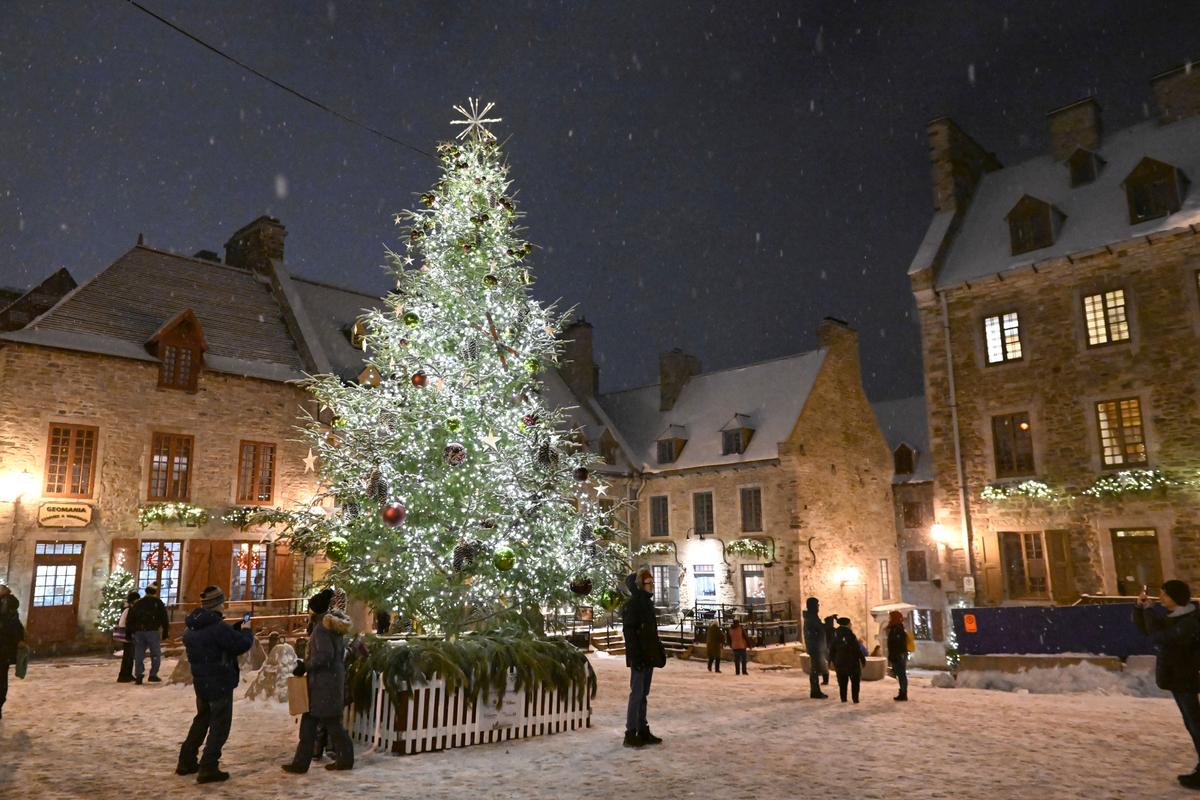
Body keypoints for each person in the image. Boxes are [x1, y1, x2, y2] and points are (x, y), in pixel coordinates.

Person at [177, 586, 254, 784]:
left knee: (202, 720)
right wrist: (246, 629)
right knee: (220, 725)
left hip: (202, 682)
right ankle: (209, 766)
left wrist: (233, 631)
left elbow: (215, 642)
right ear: (218, 603)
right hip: (220, 681)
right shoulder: (217, 627)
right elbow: (239, 645)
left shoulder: (193, 627)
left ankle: (186, 760)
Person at [1133, 580, 1200, 790]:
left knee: (1196, 723)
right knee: (1192, 723)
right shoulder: (1176, 618)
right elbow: (1147, 629)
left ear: (1175, 597)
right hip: (1177, 677)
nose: (1161, 598)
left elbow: (1160, 637)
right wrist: (1140, 608)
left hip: (1186, 677)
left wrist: (1150, 612)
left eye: (1164, 594)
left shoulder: (1189, 622)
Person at [283, 588, 355, 774]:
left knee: (331, 724)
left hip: (324, 684)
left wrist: (305, 666)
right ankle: (301, 763)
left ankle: (344, 759)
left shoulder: (322, 628)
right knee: (311, 724)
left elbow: (324, 656)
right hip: (326, 683)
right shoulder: (329, 625)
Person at [621, 569, 666, 748]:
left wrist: (657, 651)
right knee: (637, 694)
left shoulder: (646, 603)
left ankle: (642, 728)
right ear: (640, 585)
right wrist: (635, 656)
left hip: (648, 656)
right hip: (640, 656)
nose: (652, 585)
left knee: (643, 694)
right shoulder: (633, 605)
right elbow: (630, 633)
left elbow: (650, 633)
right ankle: (630, 732)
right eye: (649, 582)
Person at [128, 584, 169, 684]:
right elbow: (164, 617)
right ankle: (153, 674)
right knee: (155, 654)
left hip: (139, 631)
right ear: (155, 592)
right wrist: (165, 631)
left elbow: (131, 618)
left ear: (145, 592)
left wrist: (130, 631)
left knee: (139, 654)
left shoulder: (139, 603)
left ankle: (139, 674)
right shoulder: (157, 602)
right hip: (152, 631)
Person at [0, 589, 24, 720]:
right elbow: (16, 629)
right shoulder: (11, 608)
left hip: (3, 650)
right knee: (2, 679)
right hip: (4, 652)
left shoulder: (7, 607)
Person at [831, 617, 865, 704]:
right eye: (850, 623)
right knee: (855, 682)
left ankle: (843, 698)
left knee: (842, 682)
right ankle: (855, 699)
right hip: (852, 663)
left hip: (840, 662)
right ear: (847, 624)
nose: (851, 625)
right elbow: (856, 649)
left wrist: (832, 660)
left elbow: (832, 650)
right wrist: (862, 659)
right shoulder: (850, 636)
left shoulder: (836, 636)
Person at [803, 597, 828, 698]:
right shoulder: (811, 618)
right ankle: (815, 691)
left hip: (816, 646)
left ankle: (816, 690)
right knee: (814, 670)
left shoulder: (812, 617)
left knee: (816, 670)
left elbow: (820, 628)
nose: (818, 607)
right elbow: (818, 629)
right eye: (817, 605)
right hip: (815, 647)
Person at [886, 610, 912, 702]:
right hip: (898, 654)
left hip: (899, 655)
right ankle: (902, 692)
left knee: (901, 674)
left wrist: (895, 655)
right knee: (900, 674)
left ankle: (903, 693)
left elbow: (897, 644)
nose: (889, 619)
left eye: (890, 617)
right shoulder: (896, 628)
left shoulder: (897, 629)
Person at [116, 589, 140, 683]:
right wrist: (129, 629)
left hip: (131, 635)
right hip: (128, 635)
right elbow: (122, 623)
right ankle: (123, 675)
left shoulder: (132, 609)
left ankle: (128, 674)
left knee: (130, 656)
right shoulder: (127, 609)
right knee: (127, 656)